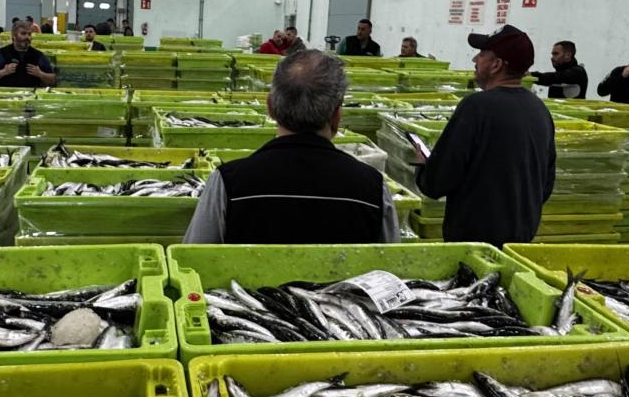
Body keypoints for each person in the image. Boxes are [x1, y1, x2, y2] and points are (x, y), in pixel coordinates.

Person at [183, 51, 399, 244]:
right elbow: (393, 269)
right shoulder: (373, 189)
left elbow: (193, 258)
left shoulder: (228, 183)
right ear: (337, 115)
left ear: (270, 108)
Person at [414, 26, 556, 245]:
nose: (474, 59)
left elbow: (436, 183)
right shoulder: (540, 110)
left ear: (496, 65)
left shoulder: (476, 107)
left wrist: (423, 165)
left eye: (481, 54)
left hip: (473, 244)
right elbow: (545, 186)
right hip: (520, 242)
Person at [0, 19, 57, 88]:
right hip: (8, 96)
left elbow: (53, 80)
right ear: (14, 36)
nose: (27, 37)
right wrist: (3, 72)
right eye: (23, 33)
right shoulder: (1, 54)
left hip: (31, 96)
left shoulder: (38, 55)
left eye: (29, 34)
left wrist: (40, 74)